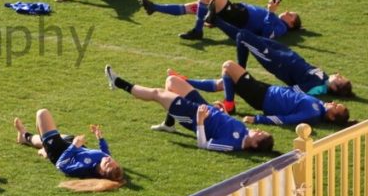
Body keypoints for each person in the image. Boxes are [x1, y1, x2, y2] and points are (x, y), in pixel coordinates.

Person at [104, 65, 274, 153]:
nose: (258, 130)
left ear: (255, 144)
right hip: (204, 106)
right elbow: (224, 122)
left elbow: (203, 145)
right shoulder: (244, 130)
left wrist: (199, 121)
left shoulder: (232, 145)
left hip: (192, 116)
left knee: (157, 93)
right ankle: (169, 124)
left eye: (260, 134)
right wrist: (219, 109)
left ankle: (117, 82)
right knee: (172, 81)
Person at [206, 7, 352, 98]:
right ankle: (215, 20)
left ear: (335, 88)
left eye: (340, 79)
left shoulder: (315, 87)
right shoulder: (323, 78)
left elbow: (291, 90)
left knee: (243, 36)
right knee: (246, 37)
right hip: (284, 52)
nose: (338, 74)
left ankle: (239, 72)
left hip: (277, 61)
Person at [155, 64, 349, 126]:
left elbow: (285, 119)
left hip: (262, 97)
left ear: (332, 116)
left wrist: (257, 119)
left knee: (229, 66)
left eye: (335, 106)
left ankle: (228, 104)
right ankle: (183, 81)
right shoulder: (317, 105)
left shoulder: (313, 113)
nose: (332, 102)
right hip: (267, 89)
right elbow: (295, 94)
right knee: (226, 81)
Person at [13, 110, 124, 191]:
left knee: (42, 114)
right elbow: (105, 153)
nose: (109, 159)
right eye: (114, 162)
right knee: (46, 135)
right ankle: (25, 137)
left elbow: (60, 165)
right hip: (72, 143)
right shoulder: (103, 160)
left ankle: (43, 147)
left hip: (58, 150)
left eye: (108, 164)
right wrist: (100, 138)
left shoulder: (82, 168)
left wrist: (74, 146)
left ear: (101, 172)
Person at [138, 0, 299, 40]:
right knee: (194, 6)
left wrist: (270, 12)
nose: (286, 12)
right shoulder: (279, 22)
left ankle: (198, 30)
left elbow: (266, 35)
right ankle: (154, 7)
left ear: (291, 24)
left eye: (290, 14)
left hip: (240, 17)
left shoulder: (282, 28)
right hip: (237, 12)